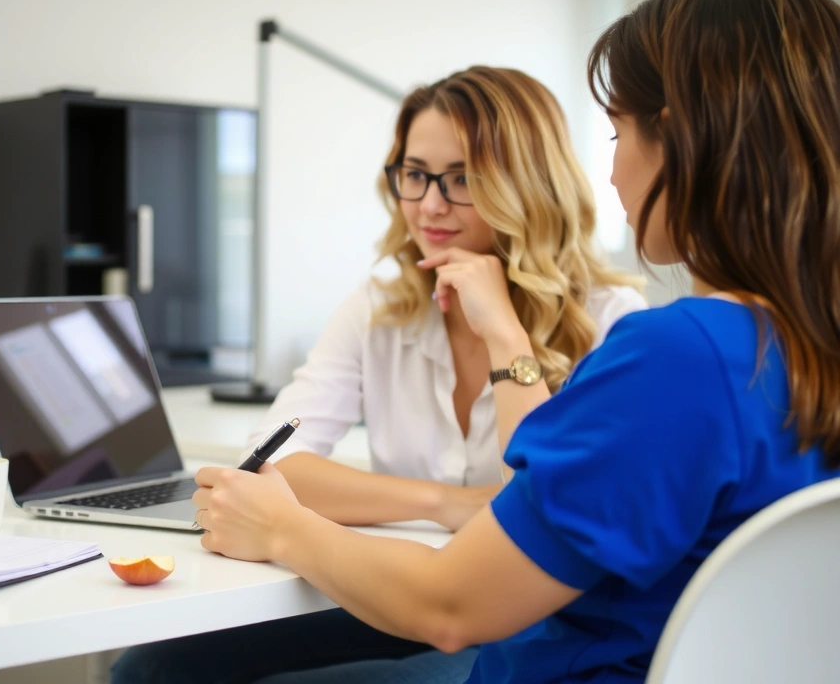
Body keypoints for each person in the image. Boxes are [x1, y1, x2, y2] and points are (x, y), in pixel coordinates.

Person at [188, 0, 840, 682]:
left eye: (619, 134)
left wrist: (283, 528)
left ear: (683, 139)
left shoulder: (678, 357)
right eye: (416, 174)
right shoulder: (794, 348)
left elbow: (451, 607)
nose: (613, 170)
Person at [110, 66, 645, 684]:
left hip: (529, 623)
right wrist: (447, 504)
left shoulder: (610, 322)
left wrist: (504, 331)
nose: (430, 204)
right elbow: (268, 462)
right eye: (415, 175)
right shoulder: (382, 306)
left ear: (526, 183)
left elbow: (540, 507)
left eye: (463, 178)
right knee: (149, 671)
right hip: (394, 590)